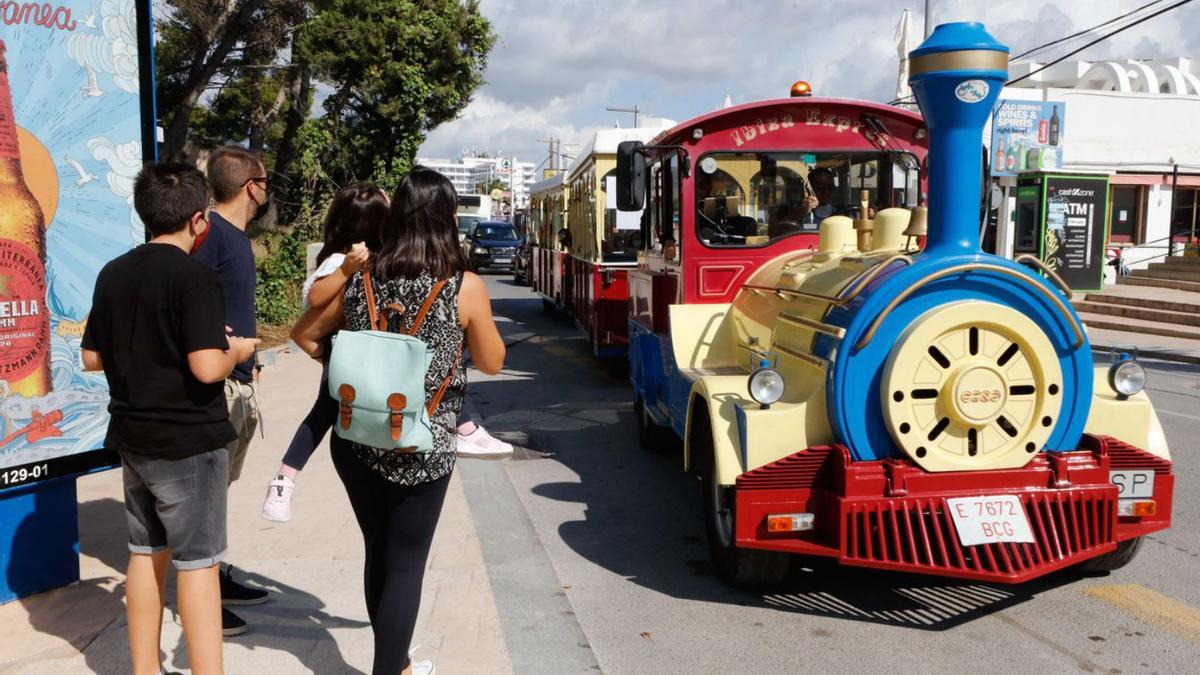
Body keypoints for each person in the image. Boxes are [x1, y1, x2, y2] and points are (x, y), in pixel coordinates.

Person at [292, 168, 505, 675]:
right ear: (447, 219)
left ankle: (400, 665)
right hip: (422, 444)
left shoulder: (362, 276)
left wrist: (359, 368)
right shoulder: (463, 286)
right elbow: (493, 362)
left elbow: (304, 335)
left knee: (378, 551)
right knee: (406, 563)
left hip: (357, 438)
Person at [81, 163, 260, 675]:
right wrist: (237, 348)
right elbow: (207, 367)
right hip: (189, 440)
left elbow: (92, 358)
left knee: (144, 552)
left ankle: (145, 670)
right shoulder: (195, 277)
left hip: (133, 435)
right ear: (199, 221)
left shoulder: (113, 272)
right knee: (198, 567)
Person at [261, 183, 387, 522]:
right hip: (341, 348)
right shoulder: (339, 261)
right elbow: (316, 300)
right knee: (323, 410)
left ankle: (285, 478)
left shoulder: (376, 260)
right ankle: (285, 479)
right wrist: (347, 268)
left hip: (345, 351)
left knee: (327, 409)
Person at [194, 145, 271, 633]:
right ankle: (199, 595)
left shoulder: (236, 238)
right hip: (217, 385)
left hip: (240, 380)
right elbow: (191, 302)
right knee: (204, 494)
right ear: (251, 187)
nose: (267, 192)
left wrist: (253, 358)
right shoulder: (211, 237)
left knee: (219, 490)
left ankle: (216, 574)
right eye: (265, 183)